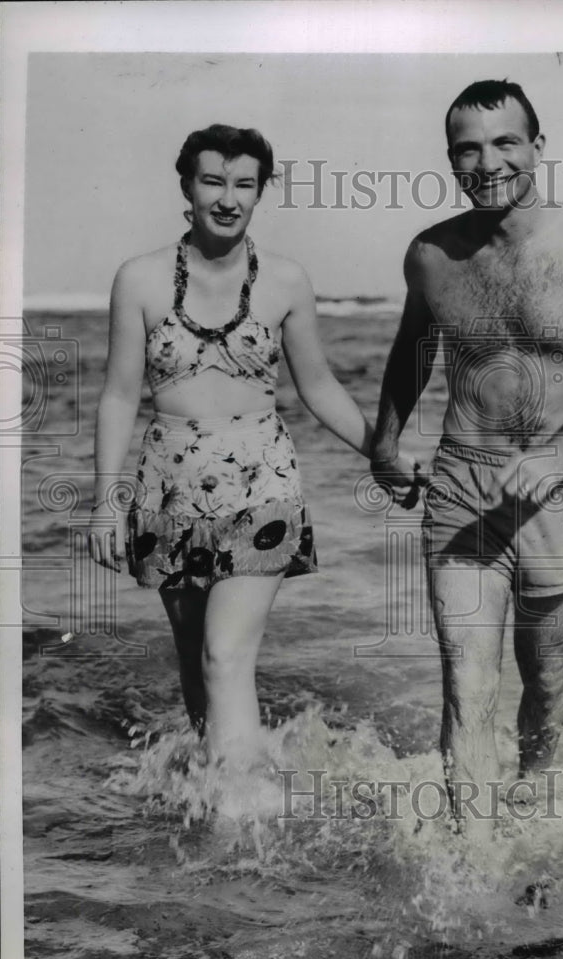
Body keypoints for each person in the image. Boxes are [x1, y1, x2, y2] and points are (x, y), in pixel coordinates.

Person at [88, 123, 412, 794]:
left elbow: (318, 386)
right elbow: (120, 396)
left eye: (244, 184)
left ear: (261, 191)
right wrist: (105, 502)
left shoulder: (286, 281)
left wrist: (381, 454)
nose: (228, 198)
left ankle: (247, 816)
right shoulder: (140, 279)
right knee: (196, 657)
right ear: (187, 186)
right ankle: (219, 790)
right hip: (166, 490)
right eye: (213, 181)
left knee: (223, 652)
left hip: (260, 483)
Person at [370, 80, 563, 840]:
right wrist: (384, 443)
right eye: (467, 147)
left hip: (558, 497)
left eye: (504, 142)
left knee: (547, 689)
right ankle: (470, 877)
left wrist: (558, 456)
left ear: (536, 146)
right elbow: (410, 355)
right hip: (461, 490)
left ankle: (530, 818)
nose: (486, 161)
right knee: (466, 690)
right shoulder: (431, 255)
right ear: (450, 157)